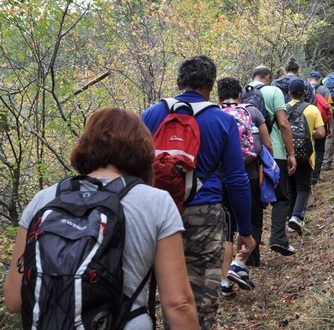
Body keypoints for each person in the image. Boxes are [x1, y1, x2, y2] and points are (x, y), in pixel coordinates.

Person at [4, 107, 199, 329]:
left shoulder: (44, 199)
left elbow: (14, 300)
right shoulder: (156, 202)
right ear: (144, 152)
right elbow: (179, 304)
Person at [141, 55, 256, 329]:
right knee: (200, 295)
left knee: (148, 291)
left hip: (154, 211)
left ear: (180, 82)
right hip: (203, 215)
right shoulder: (221, 121)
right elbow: (237, 179)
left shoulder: (152, 114)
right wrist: (245, 229)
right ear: (211, 84)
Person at [216, 77, 272, 297]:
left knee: (227, 232)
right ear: (239, 95)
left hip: (221, 178)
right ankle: (239, 265)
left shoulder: (214, 114)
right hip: (247, 174)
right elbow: (265, 145)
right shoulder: (249, 113)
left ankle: (224, 284)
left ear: (218, 96)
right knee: (249, 224)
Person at [246, 66, 298, 256]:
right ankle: (278, 239)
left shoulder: (242, 92)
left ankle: (252, 255)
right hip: (274, 152)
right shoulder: (274, 91)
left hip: (250, 154)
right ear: (268, 77)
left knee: (254, 203)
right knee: (282, 197)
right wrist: (291, 153)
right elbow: (283, 123)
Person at [286, 79, 325, 235]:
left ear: (289, 92)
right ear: (304, 92)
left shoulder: (283, 109)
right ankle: (296, 217)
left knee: (291, 188)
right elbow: (321, 133)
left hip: (288, 154)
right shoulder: (312, 109)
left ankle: (290, 218)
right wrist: (309, 134)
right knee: (303, 188)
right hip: (306, 154)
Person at [307, 71, 330, 184]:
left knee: (308, 148)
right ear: (320, 79)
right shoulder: (324, 90)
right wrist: (328, 126)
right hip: (320, 122)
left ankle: (307, 175)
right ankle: (315, 175)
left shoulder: (304, 88)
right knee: (320, 149)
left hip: (306, 122)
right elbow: (328, 108)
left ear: (308, 79)